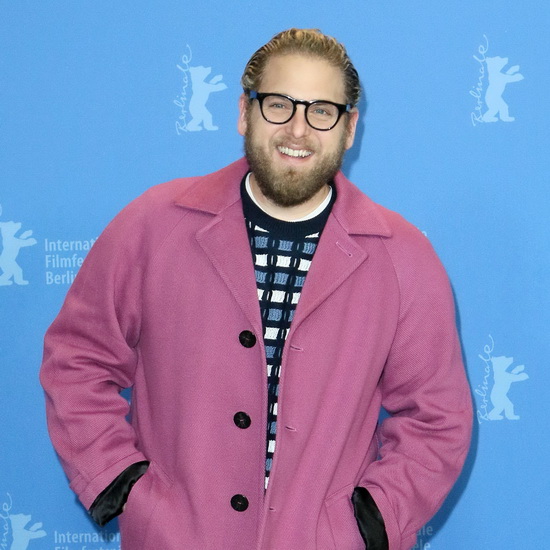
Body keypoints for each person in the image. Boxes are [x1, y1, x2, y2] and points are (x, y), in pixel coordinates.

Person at [40, 28, 472, 550]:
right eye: (278, 105)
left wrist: (373, 519)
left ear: (349, 128)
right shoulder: (152, 226)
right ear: (245, 113)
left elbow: (437, 418)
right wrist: (119, 482)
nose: (298, 129)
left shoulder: (404, 259)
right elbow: (78, 358)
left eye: (322, 111)